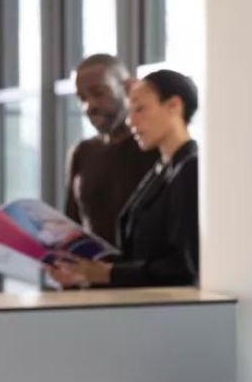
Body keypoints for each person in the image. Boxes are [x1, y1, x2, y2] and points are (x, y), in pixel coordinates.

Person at [47, 70, 199, 289]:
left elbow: (182, 267)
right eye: (129, 111)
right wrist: (82, 272)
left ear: (174, 106)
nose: (131, 121)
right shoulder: (161, 170)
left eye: (140, 109)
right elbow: (137, 256)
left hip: (167, 312)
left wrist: (106, 273)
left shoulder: (190, 168)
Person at [64, 54, 158, 245]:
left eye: (99, 93)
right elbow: (71, 226)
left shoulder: (156, 150)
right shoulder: (82, 152)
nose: (89, 106)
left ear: (128, 88)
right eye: (81, 98)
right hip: (91, 273)